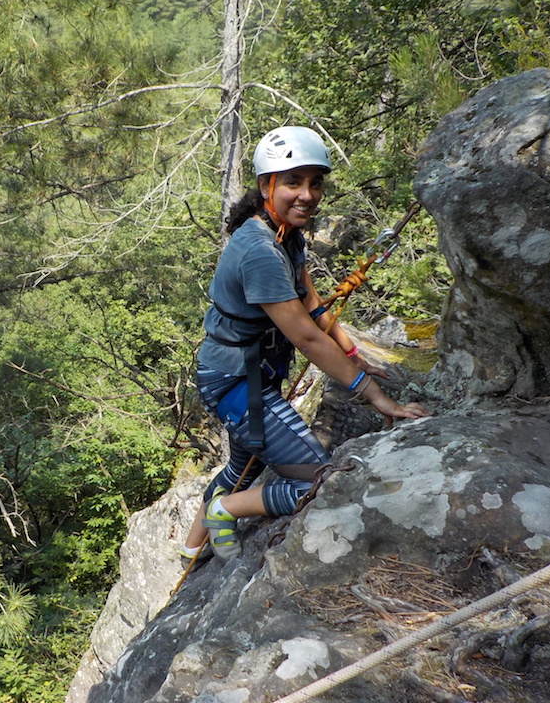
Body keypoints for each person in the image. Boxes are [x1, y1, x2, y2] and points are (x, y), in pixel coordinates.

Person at [181, 126, 430, 566]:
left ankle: (187, 549)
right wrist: (374, 397)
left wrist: (354, 356)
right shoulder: (259, 249)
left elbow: (313, 307)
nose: (308, 194)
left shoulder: (285, 234)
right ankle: (226, 510)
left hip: (245, 375)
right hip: (238, 381)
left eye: (315, 182)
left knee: (244, 466)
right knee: (322, 481)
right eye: (294, 182)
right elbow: (305, 336)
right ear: (265, 185)